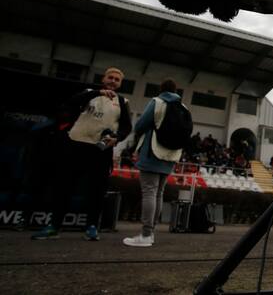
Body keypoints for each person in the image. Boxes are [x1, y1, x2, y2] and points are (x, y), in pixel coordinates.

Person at [32, 67, 131, 241]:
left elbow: (126, 127)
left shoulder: (123, 101)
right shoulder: (88, 93)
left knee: (96, 190)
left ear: (121, 83)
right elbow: (70, 104)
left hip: (100, 150)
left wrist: (117, 138)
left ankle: (92, 226)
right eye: (111, 77)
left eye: (117, 79)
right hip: (76, 144)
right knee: (65, 186)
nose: (113, 81)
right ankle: (54, 226)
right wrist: (98, 93)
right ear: (103, 79)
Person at [123, 78, 185, 247]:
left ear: (161, 89)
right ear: (176, 90)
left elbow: (140, 125)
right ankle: (151, 233)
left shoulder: (157, 102)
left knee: (149, 192)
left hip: (153, 151)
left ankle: (145, 234)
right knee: (159, 193)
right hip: (171, 154)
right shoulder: (183, 107)